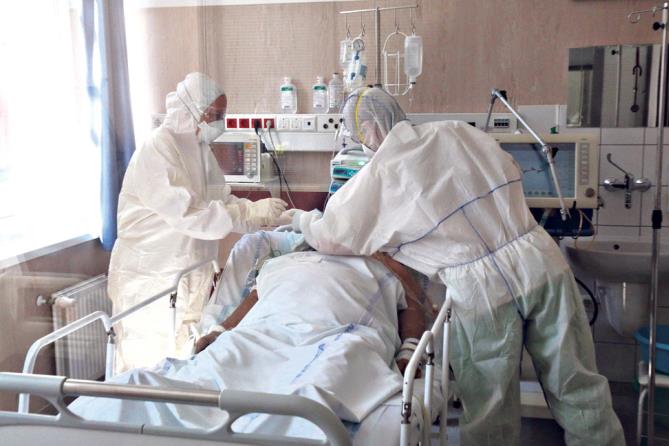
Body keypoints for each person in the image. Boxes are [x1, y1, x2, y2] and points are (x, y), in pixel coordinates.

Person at [281, 87, 625, 445]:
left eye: (357, 137)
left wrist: (299, 220)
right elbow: (511, 169)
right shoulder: (457, 131)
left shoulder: (380, 175)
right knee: (579, 387)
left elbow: (333, 236)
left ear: (367, 129)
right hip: (540, 261)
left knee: (489, 410)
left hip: (482, 292)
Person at [71, 234, 427, 443]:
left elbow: (414, 305)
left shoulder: (382, 268)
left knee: (319, 386)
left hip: (336, 336)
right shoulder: (282, 262)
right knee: (155, 381)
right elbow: (251, 302)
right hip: (259, 336)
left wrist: (409, 350)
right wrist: (220, 332)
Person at [108, 72, 287, 373]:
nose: (220, 124)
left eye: (222, 116)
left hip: (188, 275)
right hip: (151, 280)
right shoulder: (158, 149)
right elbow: (190, 215)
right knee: (147, 367)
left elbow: (222, 202)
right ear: (192, 110)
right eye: (215, 116)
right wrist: (250, 213)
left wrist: (264, 215)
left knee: (183, 362)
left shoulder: (201, 152)